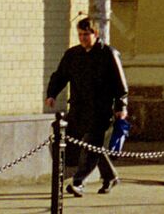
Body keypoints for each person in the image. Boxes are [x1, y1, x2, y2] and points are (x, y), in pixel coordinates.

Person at [45, 17, 129, 197]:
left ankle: (78, 182)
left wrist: (121, 106)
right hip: (78, 109)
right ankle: (110, 176)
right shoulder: (73, 55)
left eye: (86, 34)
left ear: (96, 34)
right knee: (80, 143)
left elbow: (120, 84)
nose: (82, 38)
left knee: (91, 144)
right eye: (80, 34)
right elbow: (60, 76)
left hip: (101, 110)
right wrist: (51, 94)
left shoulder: (108, 54)